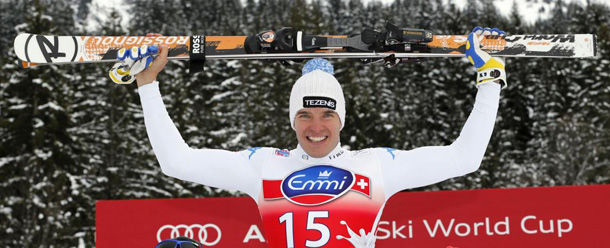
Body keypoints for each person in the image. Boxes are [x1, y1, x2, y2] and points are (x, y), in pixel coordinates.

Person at [135, 27, 506, 248]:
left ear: (341, 119)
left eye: (327, 114)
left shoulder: (375, 165)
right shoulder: (265, 166)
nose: (316, 127)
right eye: (305, 115)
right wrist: (147, 84)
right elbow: (177, 162)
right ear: (292, 119)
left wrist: (490, 79)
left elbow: (464, 158)